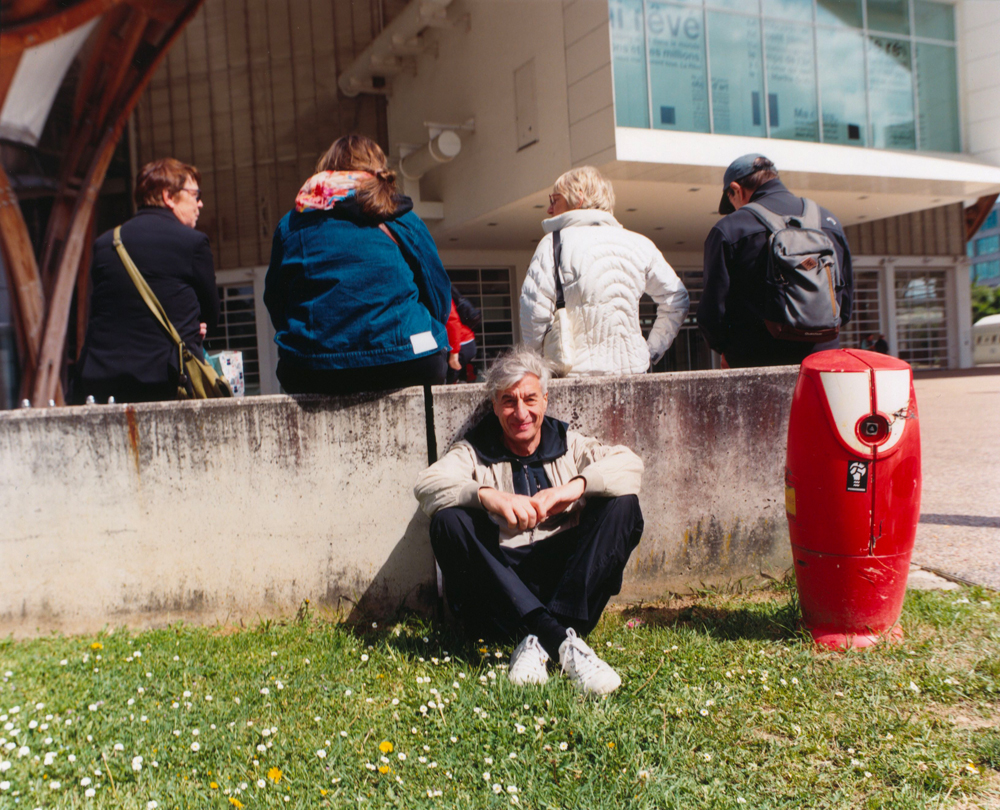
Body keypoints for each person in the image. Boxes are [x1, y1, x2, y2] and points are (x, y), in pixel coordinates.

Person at [414, 348, 645, 694]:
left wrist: (571, 489)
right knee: (448, 521)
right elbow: (427, 484)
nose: (521, 413)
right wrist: (489, 496)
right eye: (508, 401)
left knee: (624, 505)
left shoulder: (569, 443)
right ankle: (561, 640)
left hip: (569, 585)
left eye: (530, 399)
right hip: (504, 590)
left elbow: (630, 465)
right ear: (494, 406)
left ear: (545, 400)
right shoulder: (472, 450)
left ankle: (540, 639)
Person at [264, 134, 451, 395]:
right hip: (407, 360)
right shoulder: (400, 217)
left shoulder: (292, 224)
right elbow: (437, 292)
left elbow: (276, 300)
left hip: (314, 370)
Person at [519, 166, 689, 375]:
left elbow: (534, 312)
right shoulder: (640, 244)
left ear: (578, 198)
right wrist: (651, 351)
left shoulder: (553, 243)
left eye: (554, 199)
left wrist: (540, 368)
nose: (549, 209)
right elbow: (676, 299)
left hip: (575, 376)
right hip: (634, 374)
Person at [75, 158, 219, 403]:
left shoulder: (105, 243)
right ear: (168, 196)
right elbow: (211, 318)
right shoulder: (193, 243)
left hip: (104, 384)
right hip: (168, 382)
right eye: (195, 195)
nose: (200, 203)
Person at [697, 154, 854, 368]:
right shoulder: (828, 222)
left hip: (754, 362)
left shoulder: (729, 228)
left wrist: (724, 348)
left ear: (736, 189)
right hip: (822, 361)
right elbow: (845, 304)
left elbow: (713, 310)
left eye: (731, 202)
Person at [446, 285, 479, 384]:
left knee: (446, 383)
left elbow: (453, 322)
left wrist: (454, 353)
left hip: (461, 343)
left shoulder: (443, 296)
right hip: (462, 343)